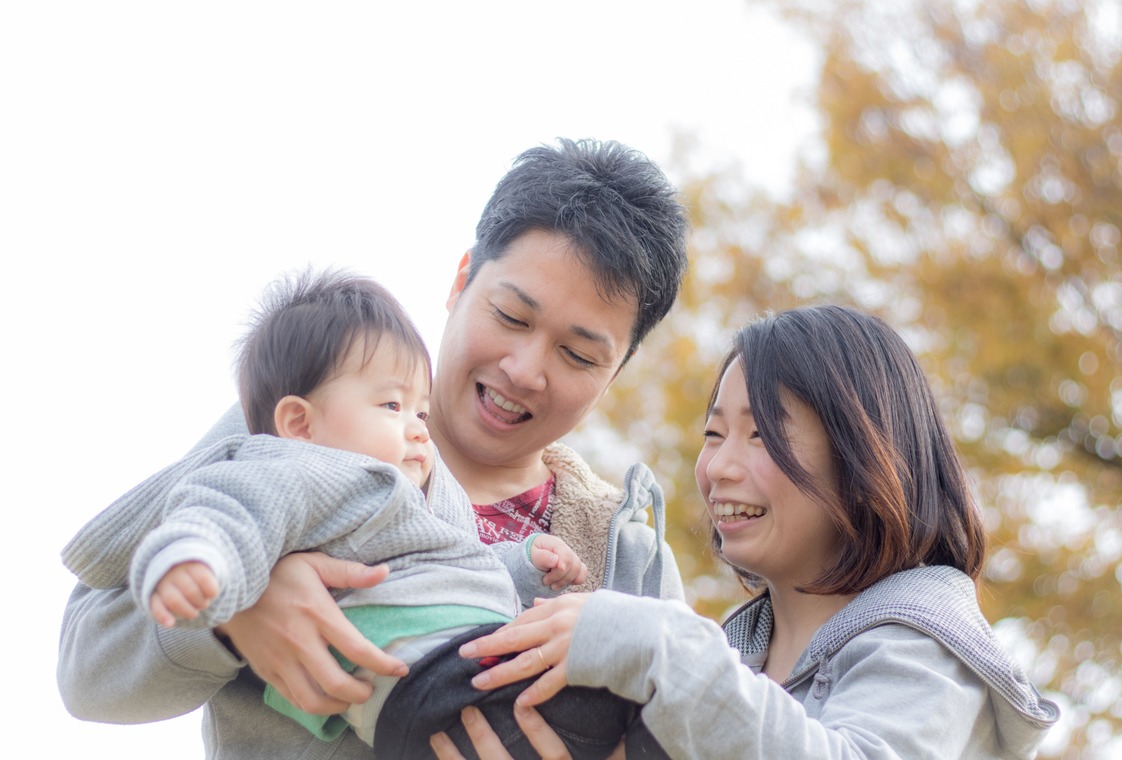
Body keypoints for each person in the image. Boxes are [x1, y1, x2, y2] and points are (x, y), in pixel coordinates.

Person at [58, 138, 690, 759]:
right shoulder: (305, 425)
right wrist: (232, 615)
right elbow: (88, 669)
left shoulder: (629, 554)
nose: (525, 369)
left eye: (578, 354)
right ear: (461, 281)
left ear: (617, 371)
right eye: (511, 316)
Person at [437, 305, 1061, 760]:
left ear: (867, 455)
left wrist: (658, 643)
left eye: (764, 434)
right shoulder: (735, 661)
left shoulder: (927, 645)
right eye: (713, 435)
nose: (720, 468)